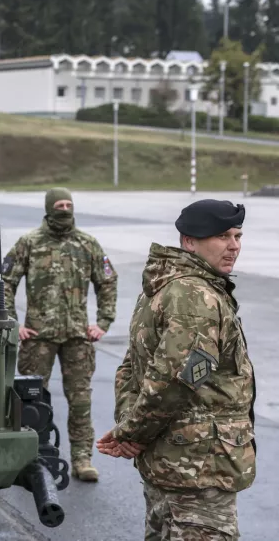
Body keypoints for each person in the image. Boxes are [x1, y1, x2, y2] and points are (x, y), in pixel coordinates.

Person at [98, 199, 256, 540]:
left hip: (172, 462)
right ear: (189, 241)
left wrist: (130, 429)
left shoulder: (163, 285)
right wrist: (131, 435)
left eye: (237, 236)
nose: (234, 246)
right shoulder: (195, 295)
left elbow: (131, 369)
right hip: (199, 471)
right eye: (223, 236)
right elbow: (175, 382)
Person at [1, 187, 117, 482]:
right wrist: (14, 323)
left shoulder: (87, 243)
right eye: (59, 205)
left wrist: (103, 322)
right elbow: (5, 281)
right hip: (37, 337)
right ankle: (27, 460)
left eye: (69, 204)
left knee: (80, 401)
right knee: (31, 402)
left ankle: (82, 459)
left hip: (78, 336)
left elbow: (107, 281)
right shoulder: (30, 243)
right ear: (49, 207)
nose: (64, 209)